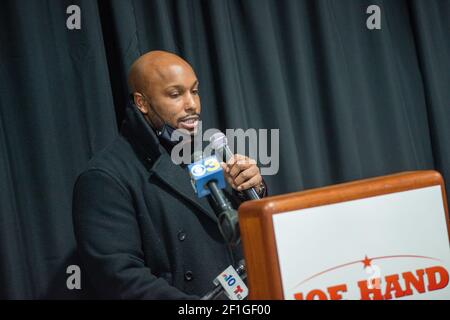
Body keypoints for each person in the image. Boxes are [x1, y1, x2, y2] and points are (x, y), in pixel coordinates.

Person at [72, 50, 267, 299]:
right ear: (142, 103)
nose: (192, 104)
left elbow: (226, 229)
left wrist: (250, 190)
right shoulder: (104, 177)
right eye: (175, 94)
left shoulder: (200, 152)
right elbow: (121, 280)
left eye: (194, 91)